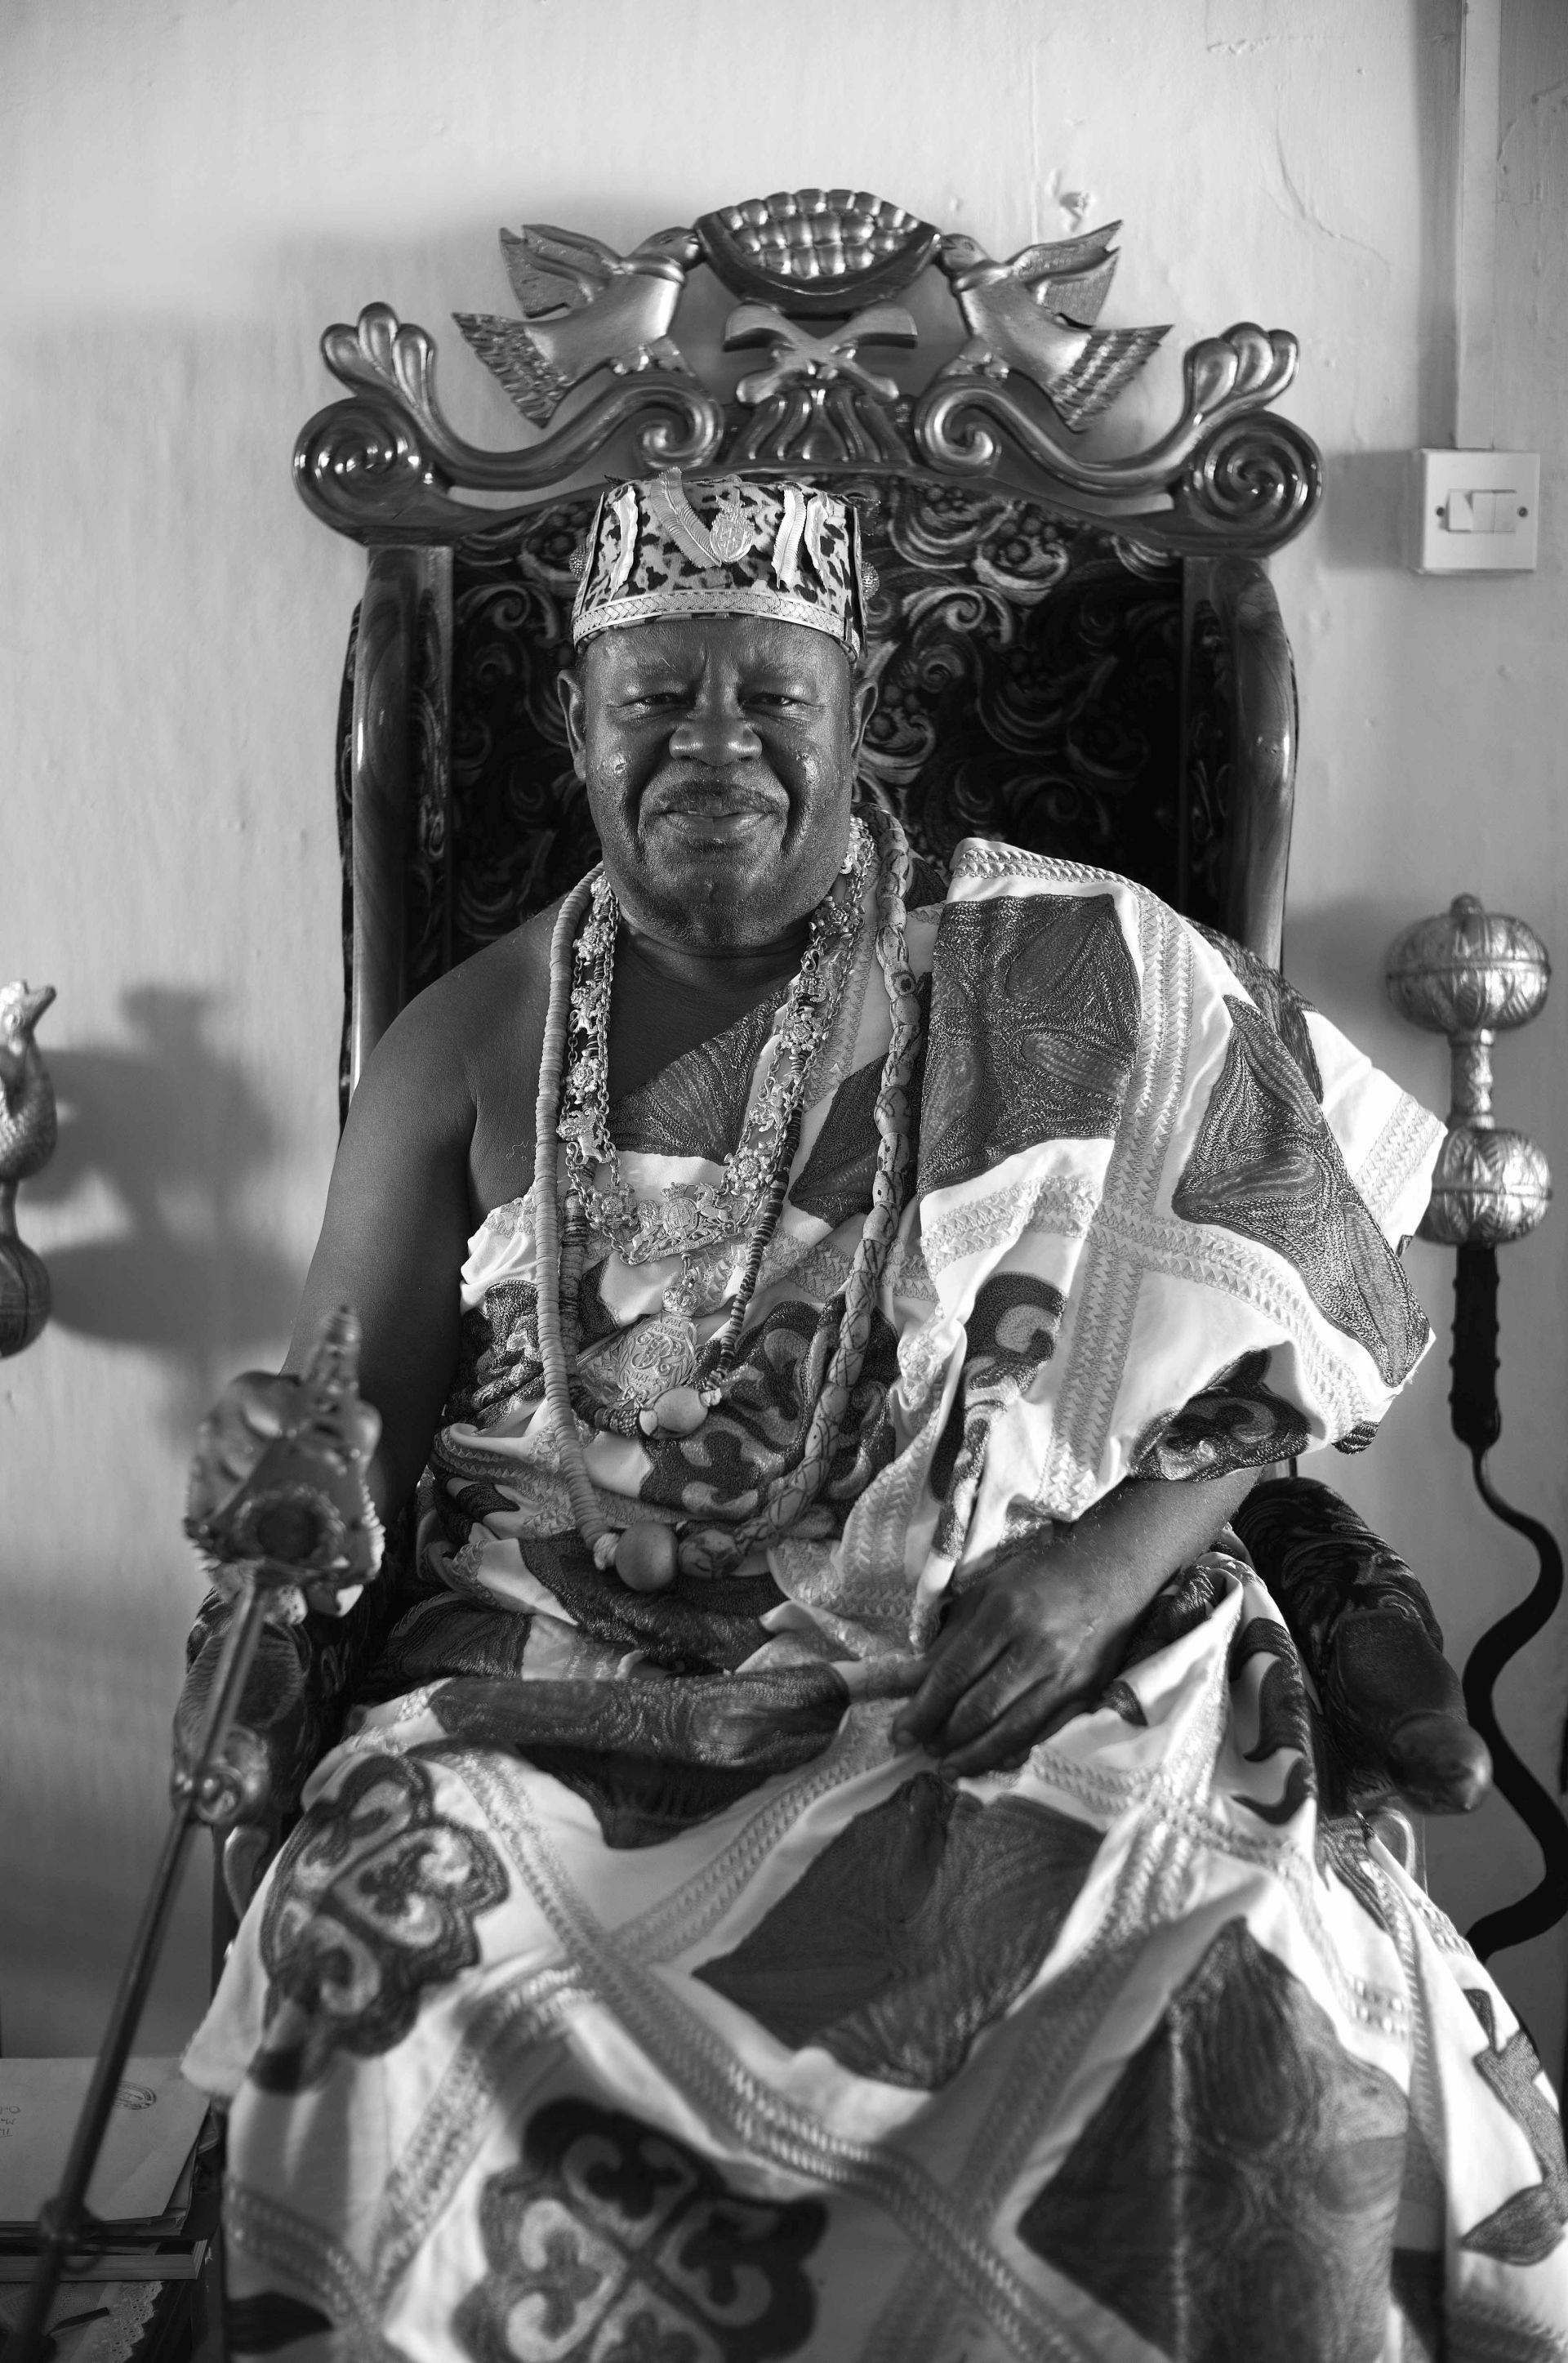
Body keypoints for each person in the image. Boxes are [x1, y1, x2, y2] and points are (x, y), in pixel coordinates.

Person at [183, 472, 1568, 2361]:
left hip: (992, 1664)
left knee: (1221, 1965)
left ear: (863, 717)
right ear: (575, 723)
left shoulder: (1067, 966)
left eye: (772, 694)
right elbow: (342, 1419)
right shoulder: (469, 1039)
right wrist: (281, 1460)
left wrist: (1102, 1570)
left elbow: (1302, 1313)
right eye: (657, 697)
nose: (714, 743)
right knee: (393, 1944)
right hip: (549, 1689)